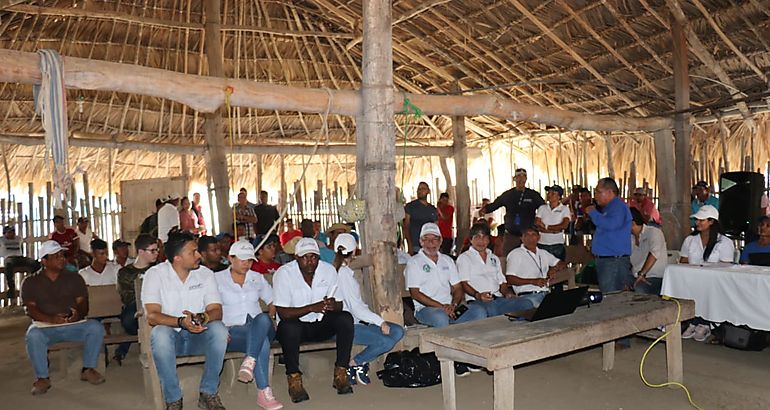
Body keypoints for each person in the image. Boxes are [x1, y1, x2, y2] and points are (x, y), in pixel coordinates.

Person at [141, 231, 228, 410]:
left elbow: (216, 310)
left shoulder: (205, 274)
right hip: (172, 339)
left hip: (199, 336)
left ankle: (208, 392)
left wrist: (202, 317)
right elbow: (152, 315)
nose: (199, 255)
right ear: (177, 258)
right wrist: (181, 322)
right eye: (193, 252)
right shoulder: (155, 275)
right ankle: (173, 399)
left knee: (219, 329)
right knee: (160, 332)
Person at [272, 237, 354, 402]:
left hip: (319, 323)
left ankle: (341, 373)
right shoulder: (284, 273)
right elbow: (282, 313)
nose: (310, 261)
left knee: (345, 318)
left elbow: (339, 304)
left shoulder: (328, 271)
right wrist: (311, 307)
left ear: (318, 256)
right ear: (296, 258)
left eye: (313, 257)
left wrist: (333, 305)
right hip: (295, 328)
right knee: (289, 327)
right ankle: (294, 379)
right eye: (305, 257)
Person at [22, 240, 106, 395]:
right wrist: (51, 319)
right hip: (45, 327)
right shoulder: (31, 282)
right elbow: (30, 309)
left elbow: (83, 303)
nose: (62, 258)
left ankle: (88, 369)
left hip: (73, 325)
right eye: (56, 256)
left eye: (62, 255)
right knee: (32, 335)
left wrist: (77, 315)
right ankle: (42, 378)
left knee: (95, 327)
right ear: (44, 261)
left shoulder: (74, 278)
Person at [215, 241, 282, 410]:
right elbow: (210, 307)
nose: (247, 264)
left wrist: (272, 316)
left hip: (260, 326)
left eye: (250, 260)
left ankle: (250, 360)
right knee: (262, 343)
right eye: (242, 259)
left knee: (263, 319)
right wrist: (219, 329)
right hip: (234, 331)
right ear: (230, 258)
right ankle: (263, 392)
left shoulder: (256, 278)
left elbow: (273, 300)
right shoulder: (217, 279)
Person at [332, 233, 404, 385]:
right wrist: (380, 322)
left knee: (397, 331)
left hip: (357, 322)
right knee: (386, 342)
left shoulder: (342, 271)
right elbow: (356, 308)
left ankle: (359, 363)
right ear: (355, 251)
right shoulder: (343, 274)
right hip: (347, 327)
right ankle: (354, 363)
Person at [678, 205, 734, 342]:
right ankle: (694, 321)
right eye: (697, 220)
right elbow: (683, 261)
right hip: (692, 279)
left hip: (714, 282)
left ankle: (705, 323)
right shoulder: (690, 240)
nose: (697, 223)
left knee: (707, 289)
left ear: (711, 222)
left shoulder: (724, 242)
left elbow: (726, 269)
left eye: (701, 220)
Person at [457, 223, 534, 316]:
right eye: (477, 237)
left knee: (526, 304)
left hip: (498, 298)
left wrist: (507, 293)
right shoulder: (464, 258)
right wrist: (478, 295)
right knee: (491, 310)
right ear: (470, 240)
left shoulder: (494, 258)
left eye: (484, 237)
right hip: (477, 300)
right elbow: (464, 283)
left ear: (489, 240)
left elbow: (502, 282)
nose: (481, 241)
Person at [114, 234, 159, 364]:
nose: (156, 253)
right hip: (135, 306)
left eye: (157, 250)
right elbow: (127, 297)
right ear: (141, 252)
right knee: (130, 319)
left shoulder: (157, 269)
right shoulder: (125, 273)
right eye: (152, 250)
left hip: (156, 305)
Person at [481, 168, 545, 256]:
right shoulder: (507, 195)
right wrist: (484, 209)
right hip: (511, 236)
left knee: (530, 260)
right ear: (514, 179)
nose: (521, 179)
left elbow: (544, 208)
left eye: (523, 177)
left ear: (526, 179)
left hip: (528, 236)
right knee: (509, 259)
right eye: (518, 176)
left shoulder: (533, 195)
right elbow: (495, 205)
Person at [587, 178, 633, 294]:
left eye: (598, 192)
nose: (595, 196)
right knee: (610, 296)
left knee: (611, 297)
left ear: (609, 192)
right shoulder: (609, 208)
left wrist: (593, 213)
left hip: (613, 261)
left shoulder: (618, 207)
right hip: (608, 260)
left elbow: (610, 225)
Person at [505, 226, 566, 307]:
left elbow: (562, 264)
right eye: (527, 235)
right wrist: (533, 281)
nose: (530, 237)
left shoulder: (543, 253)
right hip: (528, 296)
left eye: (533, 234)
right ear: (522, 238)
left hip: (546, 294)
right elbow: (510, 279)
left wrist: (554, 269)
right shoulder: (515, 254)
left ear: (538, 237)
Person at [629, 208, 667, 295]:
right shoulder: (629, 238)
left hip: (655, 277)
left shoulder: (654, 232)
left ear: (632, 223)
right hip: (636, 276)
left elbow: (654, 254)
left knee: (639, 289)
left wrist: (642, 274)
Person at [1, 225, 39, 299]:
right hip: (9, 258)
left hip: (19, 257)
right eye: (9, 232)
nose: (11, 234)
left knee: (35, 263)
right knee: (8, 266)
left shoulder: (19, 238)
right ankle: (11, 288)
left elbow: (21, 248)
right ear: (4, 233)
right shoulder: (1, 240)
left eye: (12, 232)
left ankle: (34, 284)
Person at [534, 185, 570, 260]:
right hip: (542, 244)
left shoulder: (564, 209)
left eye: (553, 193)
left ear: (559, 197)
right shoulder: (542, 208)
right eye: (549, 193)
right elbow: (537, 224)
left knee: (558, 269)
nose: (549, 195)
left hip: (557, 245)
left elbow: (564, 225)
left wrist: (546, 227)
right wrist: (555, 230)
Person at [403, 181, 438, 255]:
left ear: (428, 191)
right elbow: (406, 227)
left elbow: (436, 228)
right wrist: (410, 244)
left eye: (423, 189)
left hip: (429, 246)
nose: (420, 191)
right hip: (416, 246)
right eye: (419, 189)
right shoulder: (410, 206)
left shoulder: (432, 209)